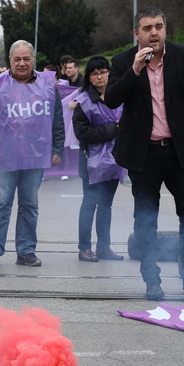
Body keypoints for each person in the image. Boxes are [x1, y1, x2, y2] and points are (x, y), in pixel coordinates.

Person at [104, 6, 184, 301]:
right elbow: (112, 100)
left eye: (158, 26)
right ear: (136, 34)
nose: (154, 32)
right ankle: (152, 280)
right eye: (147, 28)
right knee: (145, 220)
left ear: (165, 29)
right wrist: (135, 69)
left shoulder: (183, 55)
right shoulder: (122, 61)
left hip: (181, 153)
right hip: (144, 156)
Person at [0, 40, 64, 267]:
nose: (22, 63)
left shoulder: (48, 86)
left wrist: (56, 149)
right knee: (1, 202)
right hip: (3, 156)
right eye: (17, 59)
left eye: (26, 58)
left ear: (34, 60)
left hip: (35, 156)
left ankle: (26, 251)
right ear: (9, 61)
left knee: (30, 204)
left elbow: (57, 120)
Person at [73, 55, 124, 262]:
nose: (100, 76)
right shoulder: (84, 102)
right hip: (91, 161)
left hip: (115, 160)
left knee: (106, 205)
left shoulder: (119, 97)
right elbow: (83, 134)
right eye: (95, 73)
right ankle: (84, 248)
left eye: (103, 72)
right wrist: (114, 128)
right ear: (89, 77)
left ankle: (104, 247)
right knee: (89, 204)